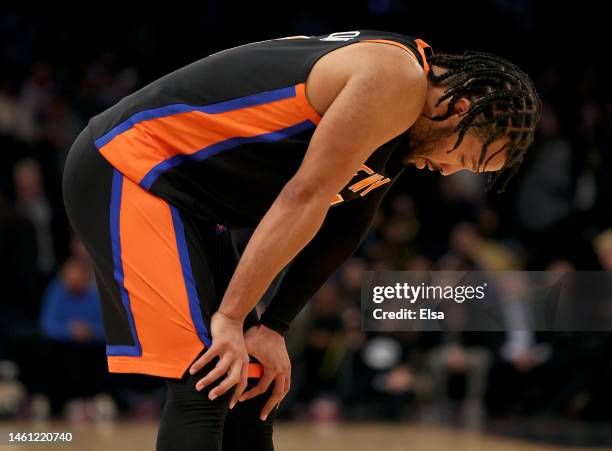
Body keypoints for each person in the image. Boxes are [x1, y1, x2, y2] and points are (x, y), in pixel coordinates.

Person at [62, 29, 541, 450]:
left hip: (188, 198)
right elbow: (304, 197)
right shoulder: (396, 79)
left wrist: (272, 327)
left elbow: (348, 222)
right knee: (205, 378)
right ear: (458, 108)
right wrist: (230, 317)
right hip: (132, 163)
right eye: (470, 159)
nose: (451, 171)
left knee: (249, 381)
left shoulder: (401, 120)